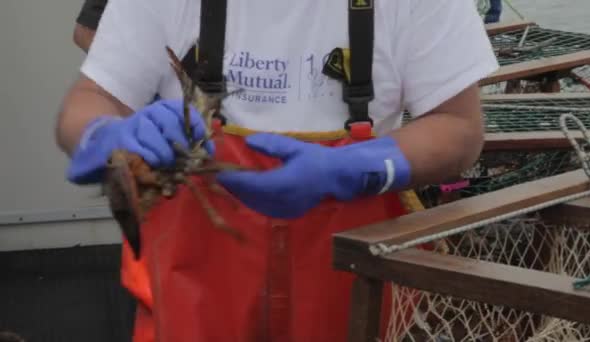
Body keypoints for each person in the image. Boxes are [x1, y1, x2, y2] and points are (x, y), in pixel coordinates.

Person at [55, 0, 499, 340]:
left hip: (355, 299)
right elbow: (94, 97)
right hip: (189, 303)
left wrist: (357, 167)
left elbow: (459, 127)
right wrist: (103, 134)